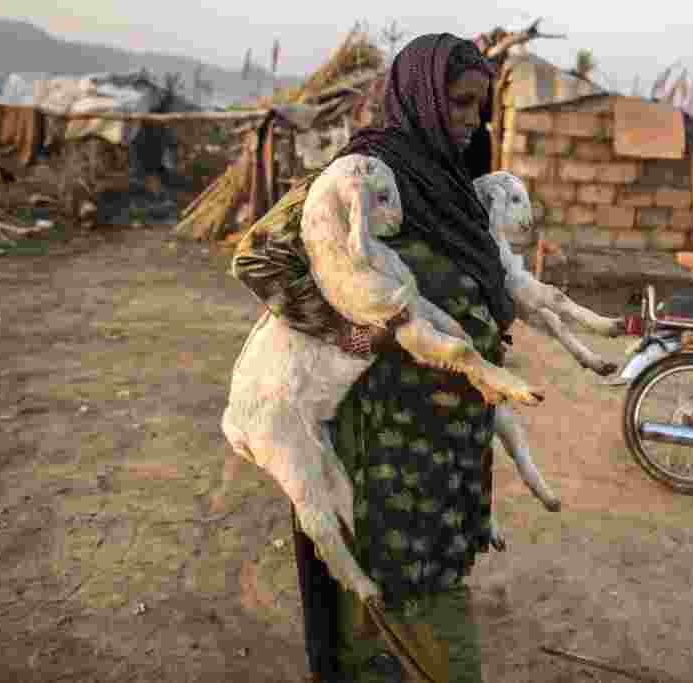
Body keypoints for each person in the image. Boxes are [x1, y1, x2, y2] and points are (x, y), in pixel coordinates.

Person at [231, 33, 512, 683]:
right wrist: (346, 333)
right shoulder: (369, 176)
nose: (473, 121)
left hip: (443, 443)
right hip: (380, 442)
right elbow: (257, 256)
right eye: (461, 103)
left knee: (402, 600)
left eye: (481, 107)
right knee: (423, 613)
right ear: (422, 98)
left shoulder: (451, 184)